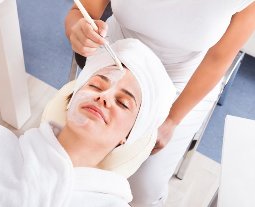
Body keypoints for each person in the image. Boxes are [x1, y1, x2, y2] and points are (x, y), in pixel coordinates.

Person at [65, 1, 255, 206]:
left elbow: (218, 59)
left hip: (184, 79)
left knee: (144, 189)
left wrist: (172, 119)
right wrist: (79, 29)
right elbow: (80, 12)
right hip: (118, 54)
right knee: (73, 159)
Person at [0, 39, 176, 206]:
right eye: (96, 85)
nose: (103, 97)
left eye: (123, 103)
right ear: (71, 100)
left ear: (128, 135)